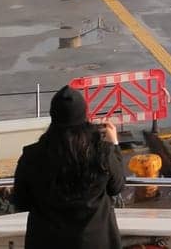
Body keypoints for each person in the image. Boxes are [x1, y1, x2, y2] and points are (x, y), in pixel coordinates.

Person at [12, 85, 126, 249]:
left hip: (47, 241)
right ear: (84, 115)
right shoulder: (102, 152)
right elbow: (117, 186)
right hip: (94, 241)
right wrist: (114, 145)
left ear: (53, 116)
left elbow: (21, 201)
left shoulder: (32, 155)